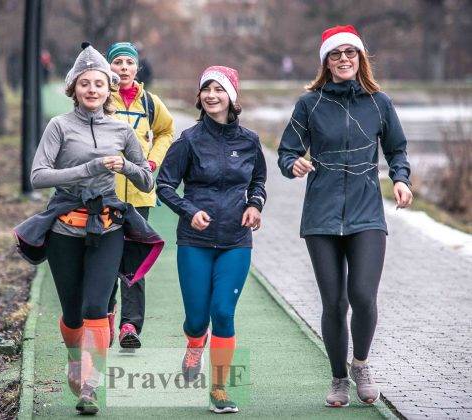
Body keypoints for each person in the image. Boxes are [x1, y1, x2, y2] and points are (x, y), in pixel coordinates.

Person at [13, 42, 164, 415]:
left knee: (98, 305)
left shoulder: (121, 129)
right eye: (85, 84)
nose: (92, 89)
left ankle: (90, 384)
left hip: (108, 226)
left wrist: (126, 167)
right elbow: (37, 176)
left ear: (108, 87)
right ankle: (73, 360)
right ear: (74, 89)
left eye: (99, 83)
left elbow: (146, 181)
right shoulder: (59, 126)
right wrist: (88, 169)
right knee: (73, 313)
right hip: (66, 226)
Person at [277, 25, 413, 408]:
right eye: (335, 55)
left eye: (349, 53)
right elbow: (286, 152)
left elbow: (397, 151)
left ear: (360, 58)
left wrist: (400, 180)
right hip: (321, 216)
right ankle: (338, 378)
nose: (343, 60)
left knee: (364, 297)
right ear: (326, 62)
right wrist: (294, 164)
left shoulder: (379, 102)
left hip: (367, 212)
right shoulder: (310, 104)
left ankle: (361, 364)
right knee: (335, 303)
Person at [157, 66, 267, 414]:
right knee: (196, 319)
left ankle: (218, 389)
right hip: (195, 240)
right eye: (206, 89)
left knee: (222, 312)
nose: (211, 95)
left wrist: (255, 204)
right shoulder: (188, 140)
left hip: (236, 240)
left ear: (231, 97)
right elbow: (164, 185)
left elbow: (259, 181)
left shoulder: (249, 141)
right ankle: (193, 342)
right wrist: (189, 211)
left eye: (219, 89)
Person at [105, 41, 175, 350]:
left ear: (137, 67)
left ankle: (130, 326)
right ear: (109, 67)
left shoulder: (150, 102)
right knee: (104, 260)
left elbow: (166, 132)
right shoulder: (102, 98)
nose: (123, 68)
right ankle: (104, 317)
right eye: (117, 62)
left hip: (139, 194)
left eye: (128, 63)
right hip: (104, 193)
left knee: (133, 262)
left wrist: (152, 162)